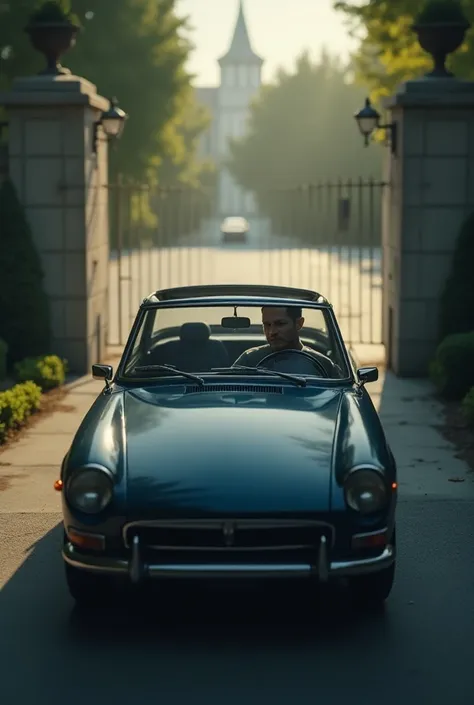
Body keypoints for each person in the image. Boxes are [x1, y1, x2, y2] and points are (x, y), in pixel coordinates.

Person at [232, 306, 335, 372]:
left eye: (280, 324)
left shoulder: (322, 365)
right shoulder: (249, 360)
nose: (272, 332)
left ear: (299, 324)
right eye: (267, 325)